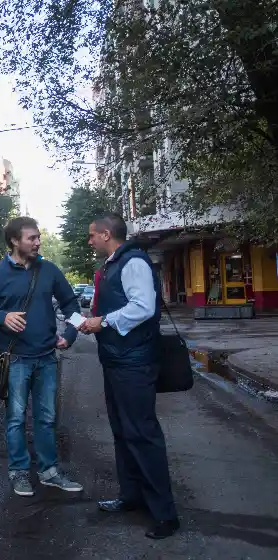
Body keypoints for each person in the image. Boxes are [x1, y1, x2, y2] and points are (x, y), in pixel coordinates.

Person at [77, 212, 179, 540]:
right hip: (117, 360)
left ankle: (165, 515)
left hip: (134, 362)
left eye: (92, 235)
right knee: (122, 431)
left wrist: (103, 321)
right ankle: (132, 496)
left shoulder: (132, 262)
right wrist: (93, 321)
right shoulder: (113, 264)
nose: (90, 240)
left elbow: (143, 307)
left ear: (106, 234)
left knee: (142, 433)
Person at [0, 216, 83, 497]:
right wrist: (2, 317)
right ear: (14, 241)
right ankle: (19, 472)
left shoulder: (49, 270)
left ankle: (49, 471)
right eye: (31, 238)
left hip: (47, 358)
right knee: (16, 418)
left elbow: (71, 304)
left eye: (38, 237)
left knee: (47, 418)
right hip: (15, 360)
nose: (38, 242)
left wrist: (71, 334)